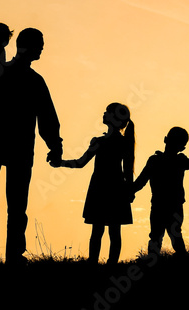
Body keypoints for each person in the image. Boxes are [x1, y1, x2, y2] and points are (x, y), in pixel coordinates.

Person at [0, 28, 63, 265]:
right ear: (27, 46)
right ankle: (12, 257)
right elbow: (47, 118)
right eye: (39, 43)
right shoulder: (33, 81)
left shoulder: (9, 73)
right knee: (11, 204)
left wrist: (55, 144)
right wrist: (55, 146)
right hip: (11, 147)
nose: (42, 48)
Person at [52, 103, 135, 264]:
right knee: (114, 231)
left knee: (97, 230)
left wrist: (60, 163)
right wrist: (129, 192)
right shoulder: (123, 142)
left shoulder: (99, 142)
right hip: (116, 189)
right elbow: (127, 172)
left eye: (107, 112)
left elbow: (80, 163)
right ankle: (111, 264)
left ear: (114, 118)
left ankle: (93, 263)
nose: (104, 114)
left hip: (99, 189)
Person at [132, 127, 189, 256]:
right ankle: (182, 260)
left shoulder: (155, 161)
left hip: (159, 204)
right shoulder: (179, 160)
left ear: (165, 139)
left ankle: (152, 263)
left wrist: (129, 192)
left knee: (156, 236)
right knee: (175, 234)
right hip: (174, 205)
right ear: (182, 148)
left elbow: (140, 182)